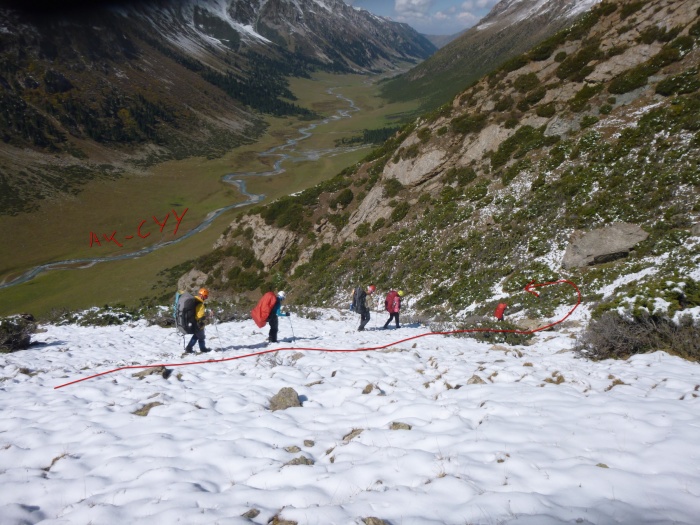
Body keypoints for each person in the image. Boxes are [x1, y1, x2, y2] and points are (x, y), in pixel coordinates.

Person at [185, 288, 212, 353]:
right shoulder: (200, 304)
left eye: (206, 296)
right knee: (201, 336)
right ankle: (202, 349)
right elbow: (200, 317)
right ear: (202, 295)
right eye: (205, 296)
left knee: (197, 335)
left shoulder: (195, 299)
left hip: (192, 321)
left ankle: (189, 348)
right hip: (198, 323)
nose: (206, 298)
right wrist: (209, 315)